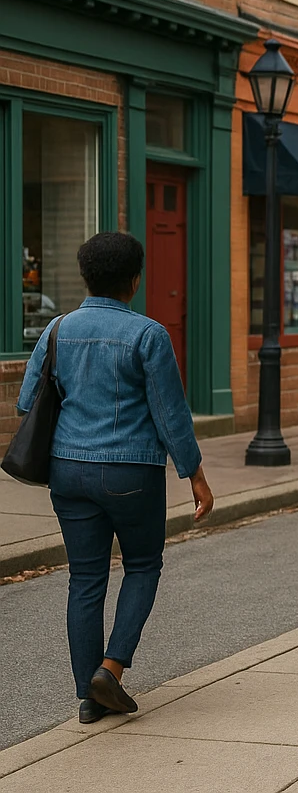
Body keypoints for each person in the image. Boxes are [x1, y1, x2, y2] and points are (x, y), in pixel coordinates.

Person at [16, 232, 213, 724]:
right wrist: (195, 475)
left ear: (86, 276)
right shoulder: (148, 335)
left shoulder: (56, 330)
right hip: (131, 472)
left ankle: (89, 698)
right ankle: (111, 668)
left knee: (85, 579)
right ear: (135, 280)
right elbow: (171, 415)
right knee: (143, 566)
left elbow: (26, 404)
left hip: (68, 471)